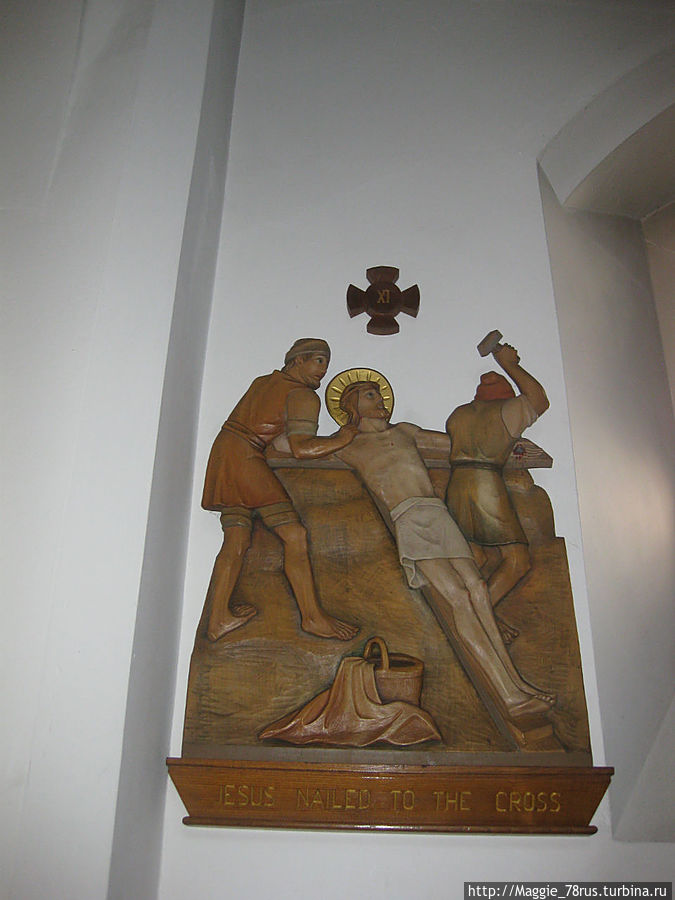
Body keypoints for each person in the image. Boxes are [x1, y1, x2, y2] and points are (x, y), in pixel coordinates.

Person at [332, 375, 553, 721]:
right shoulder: (349, 446)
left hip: (438, 513)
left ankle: (518, 684)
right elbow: (289, 445)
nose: (381, 401)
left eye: (380, 395)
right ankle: (508, 695)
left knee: (478, 588)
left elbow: (458, 444)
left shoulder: (405, 431)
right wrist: (336, 436)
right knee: (459, 598)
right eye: (371, 396)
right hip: (410, 519)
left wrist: (511, 443)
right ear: (352, 405)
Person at [201, 339, 359, 642]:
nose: (324, 370)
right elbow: (302, 448)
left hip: (224, 453)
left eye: (326, 363)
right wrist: (343, 438)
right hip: (246, 458)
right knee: (294, 535)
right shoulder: (302, 395)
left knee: (236, 537)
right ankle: (312, 617)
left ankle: (218, 618)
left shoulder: (263, 382)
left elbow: (273, 435)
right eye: (319, 361)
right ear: (297, 360)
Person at [445, 344, 549, 630]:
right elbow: (539, 400)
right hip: (485, 485)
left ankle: (470, 612)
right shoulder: (508, 410)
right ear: (506, 395)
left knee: (474, 556)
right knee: (517, 560)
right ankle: (479, 618)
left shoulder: (458, 415)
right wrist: (510, 364)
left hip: (457, 485)